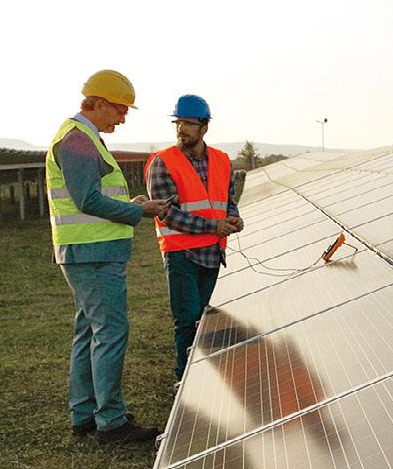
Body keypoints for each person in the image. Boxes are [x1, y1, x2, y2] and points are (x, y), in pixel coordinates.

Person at [47, 70, 170, 445]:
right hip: (93, 253)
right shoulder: (78, 140)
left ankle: (85, 413)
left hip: (88, 251)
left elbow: (91, 197)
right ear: (97, 104)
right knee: (110, 333)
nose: (123, 118)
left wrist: (130, 203)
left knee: (89, 331)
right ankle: (111, 422)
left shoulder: (82, 138)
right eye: (119, 109)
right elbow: (87, 200)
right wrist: (139, 211)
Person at [146, 94, 245, 380]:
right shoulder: (163, 162)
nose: (181, 129)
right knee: (187, 320)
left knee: (207, 319)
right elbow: (167, 213)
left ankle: (206, 379)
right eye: (178, 123)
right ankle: (184, 379)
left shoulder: (222, 160)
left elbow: (228, 201)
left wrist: (233, 218)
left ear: (204, 127)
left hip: (212, 253)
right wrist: (213, 226)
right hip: (181, 254)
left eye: (188, 123)